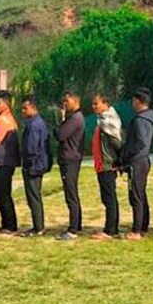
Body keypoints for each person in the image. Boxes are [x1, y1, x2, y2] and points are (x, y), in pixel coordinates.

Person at [121, 88, 153, 240]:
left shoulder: (140, 120)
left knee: (136, 196)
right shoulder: (149, 118)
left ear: (137, 101)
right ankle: (143, 226)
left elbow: (140, 142)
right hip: (142, 160)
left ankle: (137, 230)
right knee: (140, 194)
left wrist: (127, 156)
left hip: (137, 161)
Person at [91, 93, 124, 240]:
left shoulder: (108, 120)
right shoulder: (102, 119)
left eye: (96, 103)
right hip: (103, 164)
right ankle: (112, 227)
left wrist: (118, 161)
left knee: (109, 197)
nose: (93, 107)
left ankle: (110, 230)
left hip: (108, 165)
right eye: (93, 104)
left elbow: (117, 142)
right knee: (108, 197)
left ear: (105, 104)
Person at [0, 90, 21, 235]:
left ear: (6, 104)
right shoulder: (10, 118)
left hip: (3, 161)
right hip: (9, 161)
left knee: (2, 194)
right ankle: (7, 224)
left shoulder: (2, 120)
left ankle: (10, 225)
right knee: (3, 193)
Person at [20, 97, 51, 237]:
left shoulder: (34, 125)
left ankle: (39, 227)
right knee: (33, 196)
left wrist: (28, 162)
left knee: (33, 196)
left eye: (25, 108)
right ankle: (37, 225)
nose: (23, 111)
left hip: (34, 165)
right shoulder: (37, 122)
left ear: (33, 108)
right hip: (37, 164)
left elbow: (31, 147)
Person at [56, 91, 85, 240]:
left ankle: (73, 229)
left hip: (70, 160)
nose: (64, 104)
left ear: (75, 100)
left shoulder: (75, 118)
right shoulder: (74, 117)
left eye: (67, 101)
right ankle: (77, 224)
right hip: (71, 159)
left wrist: (61, 119)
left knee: (71, 194)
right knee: (72, 192)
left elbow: (60, 134)